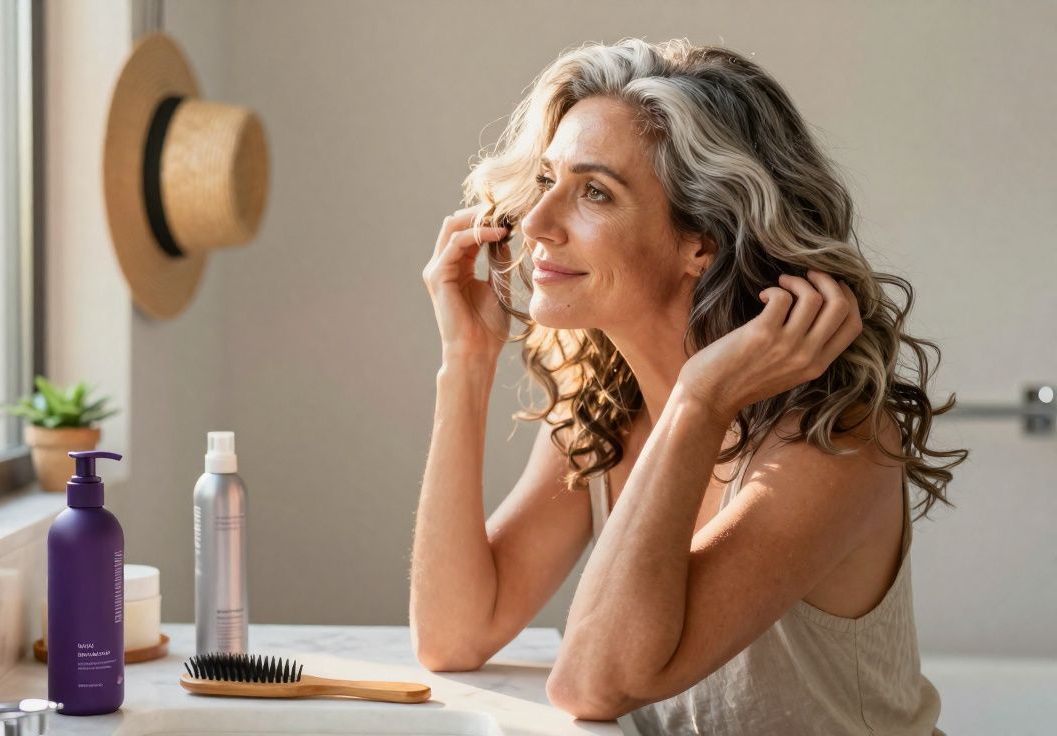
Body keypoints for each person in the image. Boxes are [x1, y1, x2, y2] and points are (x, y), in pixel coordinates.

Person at [411, 37, 965, 735]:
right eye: (547, 180)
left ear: (701, 240)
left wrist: (701, 399)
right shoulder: (607, 412)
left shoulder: (831, 445)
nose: (540, 224)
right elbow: (455, 634)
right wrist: (466, 360)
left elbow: (593, 683)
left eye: (594, 192)